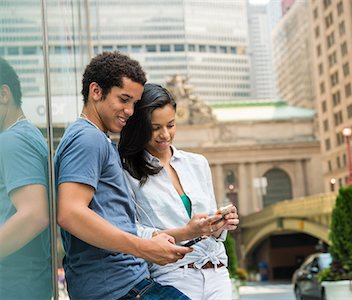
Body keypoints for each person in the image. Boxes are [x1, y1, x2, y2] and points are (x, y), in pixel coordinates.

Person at [55, 52, 192, 300]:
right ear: (96, 91)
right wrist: (145, 248)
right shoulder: (87, 139)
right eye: (124, 99)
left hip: (128, 285)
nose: (130, 111)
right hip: (122, 289)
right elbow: (70, 213)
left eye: (134, 103)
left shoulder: (96, 139)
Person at [118, 83, 240, 300]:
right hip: (173, 276)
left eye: (171, 125)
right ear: (138, 127)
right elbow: (131, 232)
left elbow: (211, 229)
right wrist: (187, 232)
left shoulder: (197, 163)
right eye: (155, 128)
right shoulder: (127, 172)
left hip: (217, 271)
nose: (165, 135)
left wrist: (219, 224)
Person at [0, 57, 51, 299]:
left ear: (4, 94)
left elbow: (34, 216)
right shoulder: (27, 134)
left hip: (15, 283)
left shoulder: (13, 140)